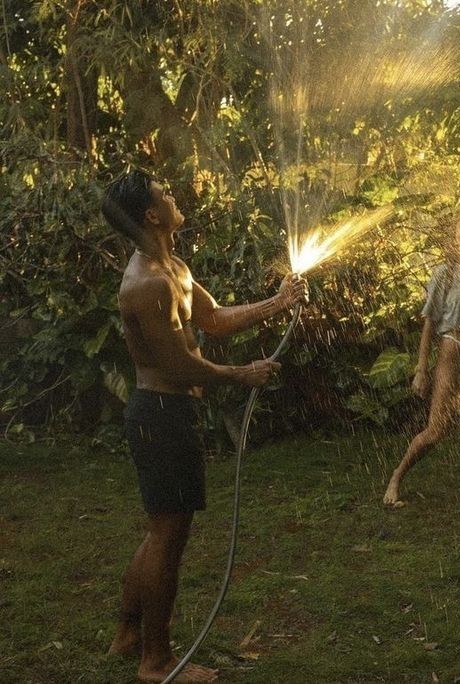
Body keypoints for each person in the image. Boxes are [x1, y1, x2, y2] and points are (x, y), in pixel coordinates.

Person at [102, 170, 307, 684]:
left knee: (162, 532)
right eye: (164, 195)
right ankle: (157, 662)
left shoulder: (174, 267)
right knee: (169, 538)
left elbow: (211, 320)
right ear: (151, 215)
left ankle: (128, 634)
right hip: (159, 416)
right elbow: (179, 368)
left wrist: (277, 303)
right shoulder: (146, 284)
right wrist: (244, 374)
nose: (173, 196)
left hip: (169, 416)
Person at [383, 216, 460, 516]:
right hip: (452, 349)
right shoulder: (445, 275)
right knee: (438, 429)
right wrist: (422, 370)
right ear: (454, 240)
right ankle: (397, 476)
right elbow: (428, 325)